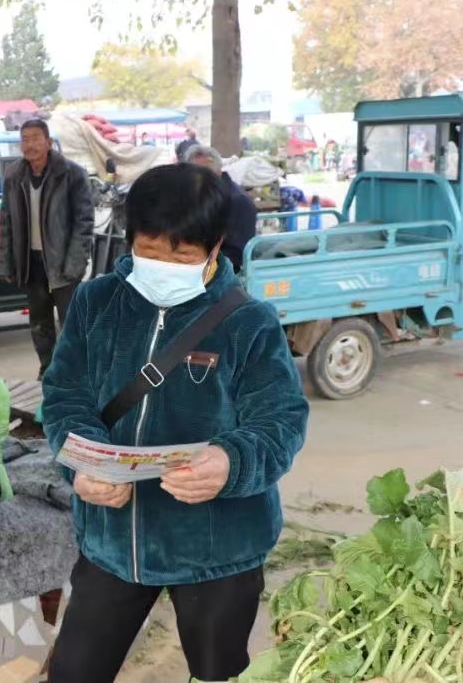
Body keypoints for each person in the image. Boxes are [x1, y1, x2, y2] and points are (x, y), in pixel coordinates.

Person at [43, 163, 308, 683]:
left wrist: (230, 462)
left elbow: (281, 421)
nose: (163, 264)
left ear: (215, 248)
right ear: (130, 239)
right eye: (149, 250)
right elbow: (64, 395)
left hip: (217, 549)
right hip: (112, 540)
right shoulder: (97, 302)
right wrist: (83, 464)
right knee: (73, 672)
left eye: (182, 255)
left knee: (217, 673)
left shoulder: (248, 321)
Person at [0, 119, 95, 379]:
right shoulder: (14, 175)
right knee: (39, 322)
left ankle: (75, 373)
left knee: (71, 321)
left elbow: (84, 222)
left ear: (48, 142)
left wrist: (76, 263)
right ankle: (48, 370)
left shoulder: (72, 173)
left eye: (35, 138)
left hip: (63, 261)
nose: (29, 145)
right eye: (25, 139)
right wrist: (6, 263)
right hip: (31, 262)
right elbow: (6, 221)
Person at [187, 144, 258, 273]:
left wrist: (196, 265)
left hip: (222, 271)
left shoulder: (237, 201)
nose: (198, 178)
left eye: (205, 173)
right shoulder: (199, 195)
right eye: (192, 173)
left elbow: (236, 254)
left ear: (218, 171)